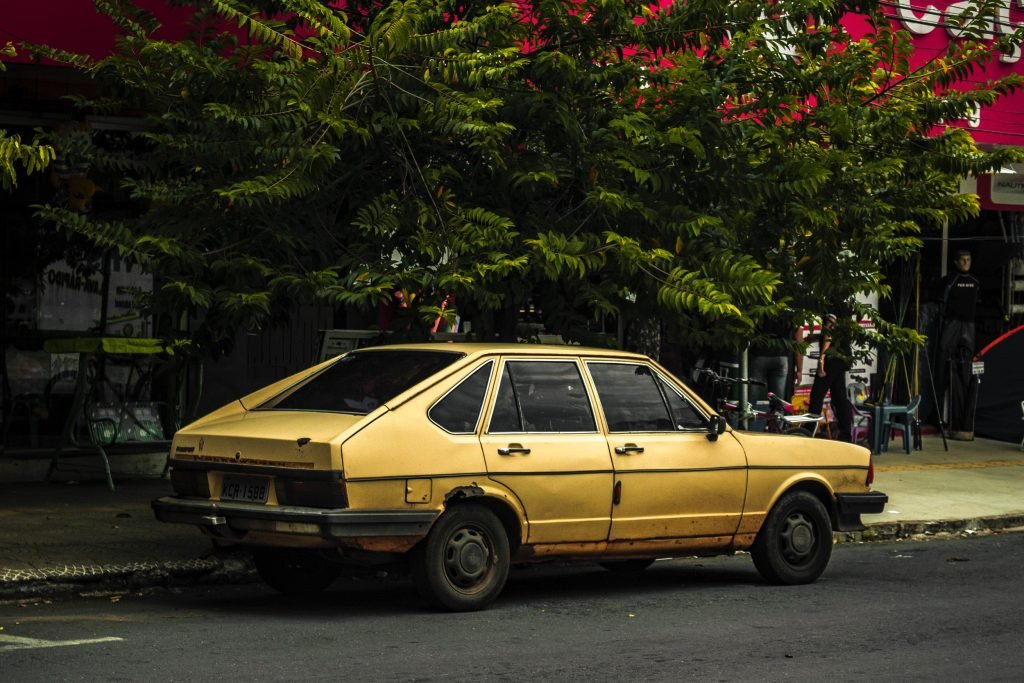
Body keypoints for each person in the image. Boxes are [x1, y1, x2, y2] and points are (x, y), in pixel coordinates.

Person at [933, 249, 980, 437]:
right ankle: (937, 417)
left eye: (968, 260)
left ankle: (963, 419)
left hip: (968, 326)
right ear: (956, 262)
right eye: (963, 260)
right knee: (943, 365)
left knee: (966, 369)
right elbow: (939, 303)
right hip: (951, 324)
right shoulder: (949, 280)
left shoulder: (976, 282)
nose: (966, 263)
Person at [808, 310, 853, 442]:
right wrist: (817, 337)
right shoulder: (845, 307)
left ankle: (808, 431)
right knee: (839, 396)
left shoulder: (832, 303)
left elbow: (830, 331)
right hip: (842, 356)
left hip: (832, 357)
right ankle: (845, 434)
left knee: (817, 395)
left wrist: (822, 357)